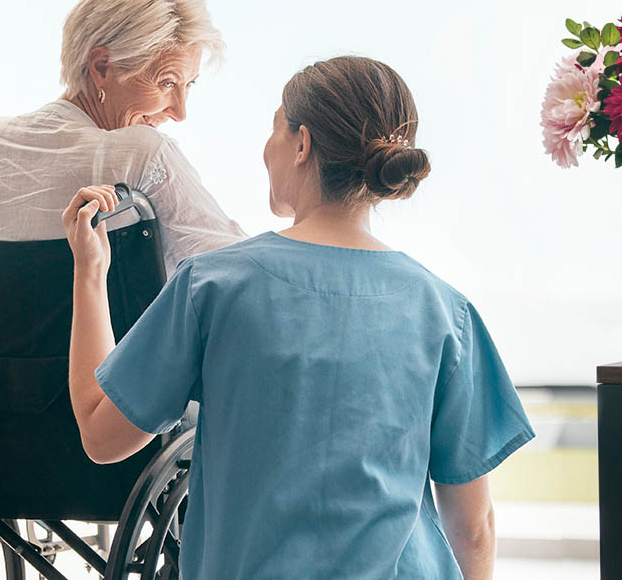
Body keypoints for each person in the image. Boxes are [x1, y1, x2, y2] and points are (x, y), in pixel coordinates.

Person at [62, 56, 534, 579]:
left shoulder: (213, 286)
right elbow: (472, 528)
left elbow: (101, 437)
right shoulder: (445, 311)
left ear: (302, 144)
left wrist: (89, 272)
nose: (266, 149)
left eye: (274, 129)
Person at [0, 0, 244, 273]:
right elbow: (243, 276)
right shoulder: (142, 155)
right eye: (167, 83)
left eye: (189, 84)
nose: (180, 113)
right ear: (102, 67)